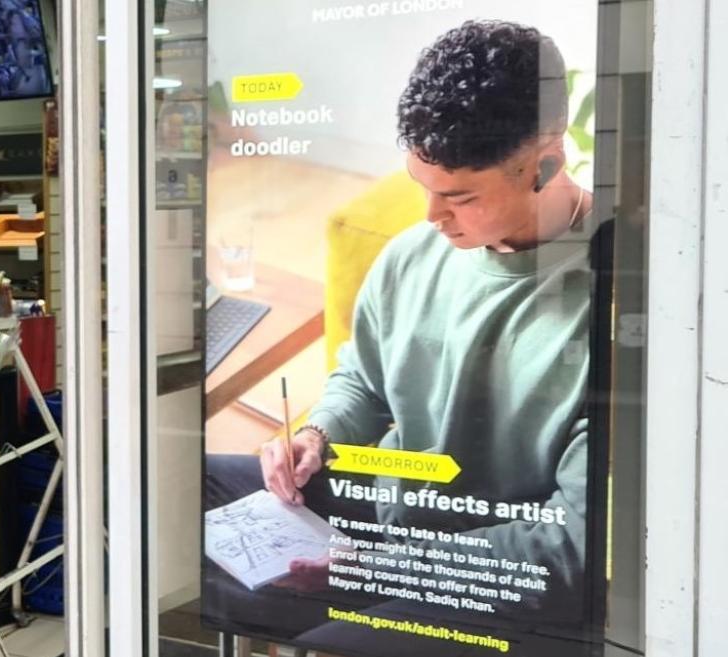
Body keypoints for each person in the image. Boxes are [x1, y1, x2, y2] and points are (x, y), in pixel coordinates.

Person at [204, 20, 600, 655]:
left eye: (459, 196)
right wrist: (317, 435)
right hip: (384, 521)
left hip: (491, 576)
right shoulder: (414, 254)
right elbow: (363, 380)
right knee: (175, 494)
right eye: (422, 187)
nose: (430, 218)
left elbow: (573, 545)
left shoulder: (613, 301)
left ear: (545, 163)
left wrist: (386, 566)